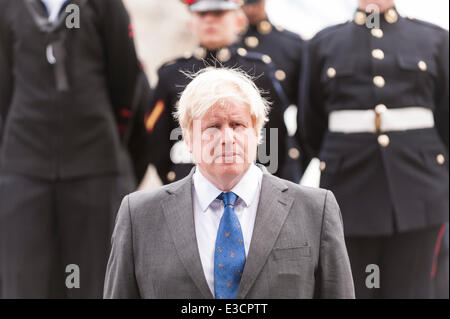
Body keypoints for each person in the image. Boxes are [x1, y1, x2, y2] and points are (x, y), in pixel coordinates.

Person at [104, 68, 355, 299]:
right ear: (188, 139)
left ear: (257, 134)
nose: (227, 138)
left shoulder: (315, 210)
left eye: (238, 125)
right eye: (213, 127)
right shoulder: (139, 216)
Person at [299, 0, 449, 298]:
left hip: (419, 191)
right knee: (354, 288)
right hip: (349, 191)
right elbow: (310, 124)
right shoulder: (323, 44)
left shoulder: (434, 39)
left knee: (414, 290)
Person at [0, 0, 142, 298]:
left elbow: (126, 78)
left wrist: (98, 136)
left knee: (94, 283)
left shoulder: (104, 5)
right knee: (23, 282)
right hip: (24, 169)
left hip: (93, 167)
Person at [146, 0, 289, 185]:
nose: (210, 21)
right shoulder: (171, 73)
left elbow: (274, 138)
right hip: (187, 180)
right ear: (191, 23)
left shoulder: (259, 71)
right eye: (202, 15)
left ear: (238, 21)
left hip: (247, 183)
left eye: (219, 14)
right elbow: (157, 140)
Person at [240, 0, 308, 182]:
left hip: (277, 151)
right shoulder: (220, 43)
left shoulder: (292, 45)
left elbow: (308, 110)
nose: (250, 6)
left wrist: (296, 153)